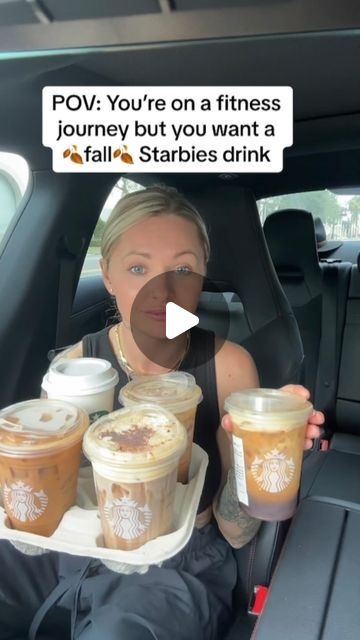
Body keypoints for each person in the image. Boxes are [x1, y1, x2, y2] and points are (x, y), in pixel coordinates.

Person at [0, 186, 323, 640]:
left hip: (178, 563)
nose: (163, 290)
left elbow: (235, 531)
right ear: (108, 276)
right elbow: (47, 504)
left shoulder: (229, 366)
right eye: (138, 268)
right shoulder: (74, 370)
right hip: (70, 548)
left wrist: (264, 455)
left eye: (183, 269)